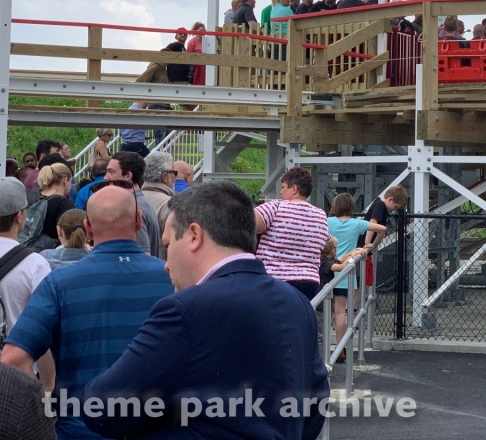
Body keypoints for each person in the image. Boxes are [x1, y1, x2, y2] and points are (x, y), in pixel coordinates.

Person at [81, 181, 328, 439]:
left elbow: (103, 407)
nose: (166, 264)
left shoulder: (185, 310)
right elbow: (315, 403)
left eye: (167, 245)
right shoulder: (297, 303)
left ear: (194, 235)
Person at [3, 181, 174, 440]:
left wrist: (43, 415)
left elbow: (13, 359)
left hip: (78, 428)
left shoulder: (59, 283)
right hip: (156, 427)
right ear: (139, 221)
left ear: (89, 227)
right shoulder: (172, 278)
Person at [0, 178, 54, 388]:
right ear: (19, 216)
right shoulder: (35, 265)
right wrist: (48, 388)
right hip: (16, 377)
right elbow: (43, 331)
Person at [254, 166, 331, 301]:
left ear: (294, 189)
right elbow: (325, 240)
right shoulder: (321, 215)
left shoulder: (275, 207)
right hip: (309, 281)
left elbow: (247, 221)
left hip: (276, 279)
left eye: (283, 187)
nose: (281, 191)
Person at [326, 193, 385, 352]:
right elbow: (382, 229)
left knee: (323, 310)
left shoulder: (327, 222)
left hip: (327, 268)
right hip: (346, 271)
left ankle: (322, 347)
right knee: (340, 311)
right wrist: (371, 245)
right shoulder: (357, 224)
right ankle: (341, 348)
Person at [107, 152, 161, 257]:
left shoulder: (133, 208)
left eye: (111, 172)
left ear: (128, 176)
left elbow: (143, 255)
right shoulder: (139, 203)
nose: (106, 177)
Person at [358, 184, 408, 287]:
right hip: (363, 244)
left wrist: (372, 244)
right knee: (363, 280)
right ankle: (356, 298)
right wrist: (367, 243)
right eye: (395, 207)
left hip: (365, 245)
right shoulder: (380, 205)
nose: (394, 210)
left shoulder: (380, 205)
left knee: (366, 281)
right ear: (390, 199)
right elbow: (372, 223)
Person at [140, 151, 176, 258]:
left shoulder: (130, 200)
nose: (175, 177)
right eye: (174, 173)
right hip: (162, 264)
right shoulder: (170, 205)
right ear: (165, 177)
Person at [36, 163, 76, 245]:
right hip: (53, 250)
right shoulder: (64, 204)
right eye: (70, 181)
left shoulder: (34, 199)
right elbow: (68, 237)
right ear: (65, 180)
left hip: (28, 248)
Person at [186, 22, 206, 86]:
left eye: (204, 30)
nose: (203, 32)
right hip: (197, 69)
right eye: (201, 30)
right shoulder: (192, 42)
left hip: (206, 67)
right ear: (196, 31)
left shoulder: (207, 42)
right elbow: (188, 58)